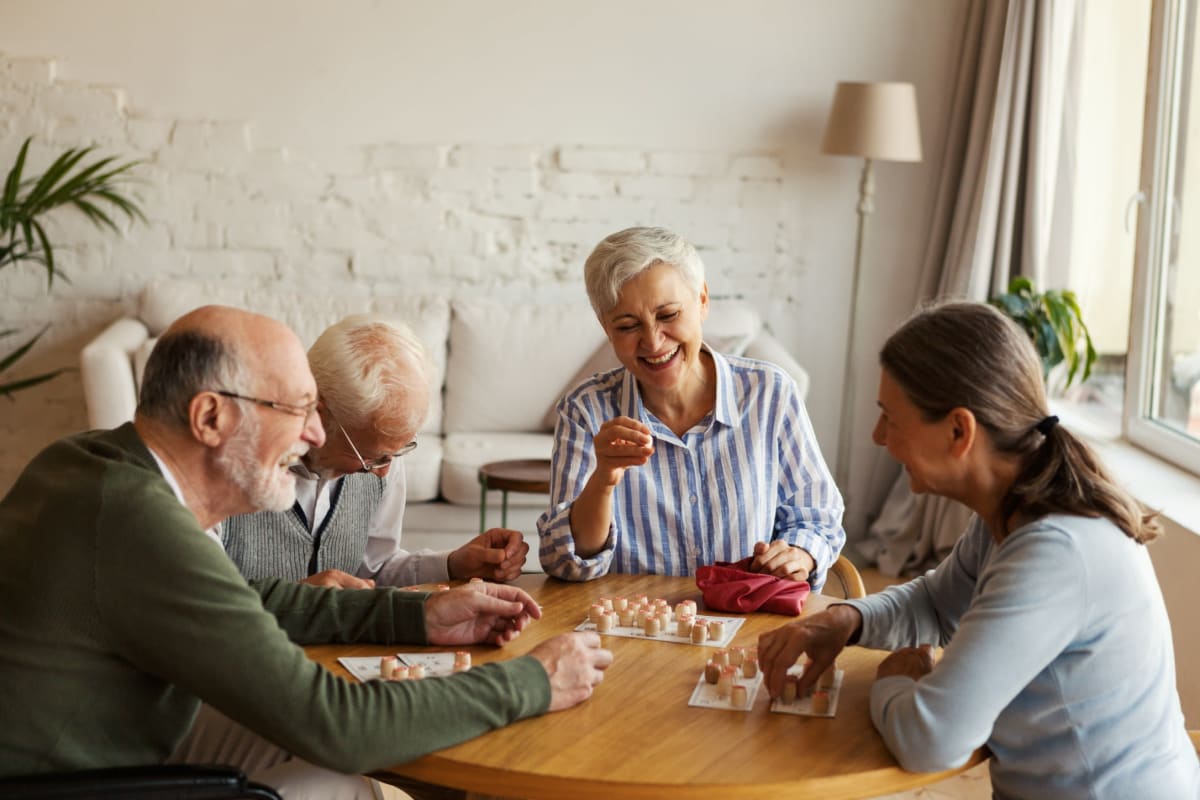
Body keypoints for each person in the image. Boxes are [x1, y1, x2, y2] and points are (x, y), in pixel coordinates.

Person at [0, 305, 612, 800]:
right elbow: (336, 724)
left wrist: (414, 614)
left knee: (338, 785)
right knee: (337, 764)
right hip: (72, 781)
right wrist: (532, 681)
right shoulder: (139, 522)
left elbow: (240, 599)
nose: (314, 435)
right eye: (295, 409)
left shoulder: (93, 462)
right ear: (210, 417)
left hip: (121, 726)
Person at [757, 302, 1200, 799]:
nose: (879, 437)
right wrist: (845, 620)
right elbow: (934, 603)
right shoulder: (1011, 509)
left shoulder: (1054, 553)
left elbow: (932, 739)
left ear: (958, 431)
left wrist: (893, 680)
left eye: (890, 418)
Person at [538, 226, 844, 588]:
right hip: (633, 633)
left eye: (667, 315)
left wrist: (799, 553)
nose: (653, 342)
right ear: (606, 328)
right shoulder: (585, 410)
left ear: (702, 301)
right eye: (628, 325)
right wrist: (603, 479)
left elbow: (818, 518)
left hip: (746, 624)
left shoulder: (770, 393)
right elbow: (564, 561)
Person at [223, 314, 528, 590]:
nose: (384, 471)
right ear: (318, 412)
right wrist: (300, 598)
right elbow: (192, 605)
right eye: (372, 456)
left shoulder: (384, 455)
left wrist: (452, 564)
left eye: (396, 452)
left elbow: (375, 568)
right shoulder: (229, 465)